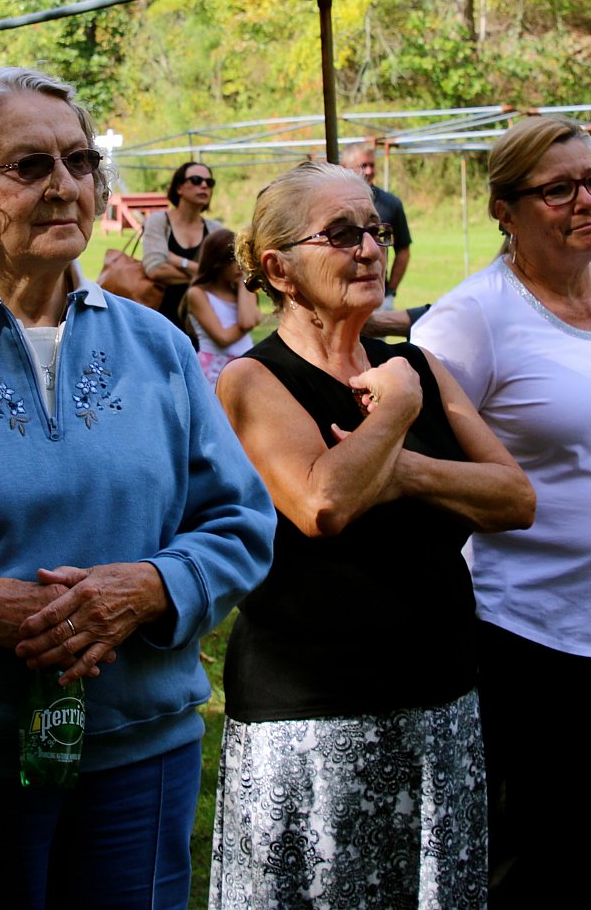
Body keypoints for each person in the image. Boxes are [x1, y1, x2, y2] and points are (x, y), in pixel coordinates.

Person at [0, 66, 274, 909]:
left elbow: (239, 520)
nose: (65, 186)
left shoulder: (156, 345)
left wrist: (152, 587)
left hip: (142, 754)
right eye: (29, 165)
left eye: (80, 162)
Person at [209, 162, 533, 908]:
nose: (369, 250)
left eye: (376, 231)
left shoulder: (412, 365)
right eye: (343, 233)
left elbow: (514, 496)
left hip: (440, 694)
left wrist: (406, 469)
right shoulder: (255, 381)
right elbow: (323, 504)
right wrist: (389, 417)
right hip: (315, 712)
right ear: (278, 269)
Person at [411, 115, 591, 908]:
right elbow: (419, 458)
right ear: (505, 209)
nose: (587, 201)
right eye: (558, 189)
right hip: (528, 631)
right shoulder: (473, 318)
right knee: (525, 861)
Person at [140, 160, 225, 326]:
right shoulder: (159, 221)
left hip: (202, 323)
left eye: (209, 182)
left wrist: (179, 261)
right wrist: (205, 276)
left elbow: (222, 277)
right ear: (179, 188)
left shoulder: (215, 230)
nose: (204, 185)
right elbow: (156, 269)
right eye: (196, 180)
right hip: (160, 319)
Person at [179, 227, 260, 387]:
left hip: (245, 366)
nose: (239, 266)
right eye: (233, 260)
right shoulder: (198, 294)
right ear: (217, 262)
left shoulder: (242, 289)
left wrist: (241, 285)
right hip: (214, 370)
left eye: (240, 259)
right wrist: (252, 320)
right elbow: (224, 338)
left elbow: (250, 320)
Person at [343, 142, 413, 308]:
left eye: (372, 165)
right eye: (363, 165)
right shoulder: (332, 204)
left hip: (377, 296)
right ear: (344, 167)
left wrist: (390, 290)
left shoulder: (390, 204)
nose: (369, 171)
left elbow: (403, 250)